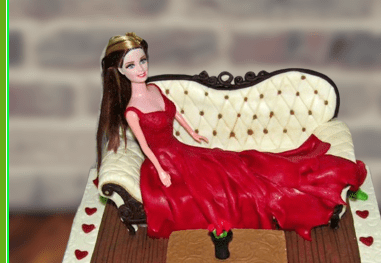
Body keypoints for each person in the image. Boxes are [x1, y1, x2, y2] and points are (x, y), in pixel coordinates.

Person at [97, 33, 367, 240]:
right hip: (166, 163)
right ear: (120, 71)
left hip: (183, 149)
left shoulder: (155, 89)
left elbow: (174, 111)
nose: (140, 68)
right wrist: (162, 172)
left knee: (241, 165)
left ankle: (310, 186)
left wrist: (193, 132)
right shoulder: (132, 111)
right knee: (221, 188)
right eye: (131, 65)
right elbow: (146, 147)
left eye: (143, 60)